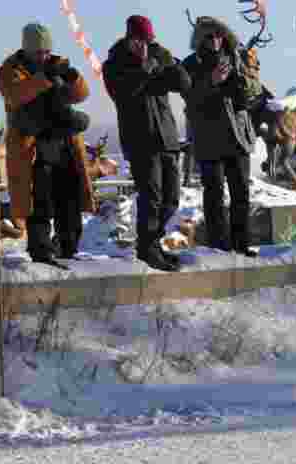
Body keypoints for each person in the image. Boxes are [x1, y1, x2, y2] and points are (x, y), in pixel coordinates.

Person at [0, 23, 95, 267]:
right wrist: (45, 78)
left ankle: (67, 248)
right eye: (38, 52)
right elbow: (15, 95)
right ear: (27, 49)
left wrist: (72, 76)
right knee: (38, 201)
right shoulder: (10, 69)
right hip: (32, 146)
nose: (44, 56)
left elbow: (81, 94)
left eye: (46, 52)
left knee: (69, 198)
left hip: (63, 143)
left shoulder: (56, 64)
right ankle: (41, 252)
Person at [103, 15, 191, 272]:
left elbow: (183, 83)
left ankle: (151, 244)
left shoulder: (156, 58)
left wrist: (169, 61)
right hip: (141, 140)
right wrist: (143, 67)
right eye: (140, 40)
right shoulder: (114, 64)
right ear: (129, 39)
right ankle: (147, 250)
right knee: (151, 197)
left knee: (171, 199)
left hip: (167, 138)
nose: (144, 45)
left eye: (148, 40)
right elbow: (122, 93)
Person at [182, 16, 263, 257]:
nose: (215, 40)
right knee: (214, 192)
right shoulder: (190, 64)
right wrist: (212, 81)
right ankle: (219, 246)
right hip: (209, 137)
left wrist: (242, 83)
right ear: (200, 39)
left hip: (238, 134)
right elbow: (190, 99)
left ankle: (241, 244)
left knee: (241, 193)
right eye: (209, 36)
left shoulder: (236, 58)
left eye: (219, 35)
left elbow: (256, 89)